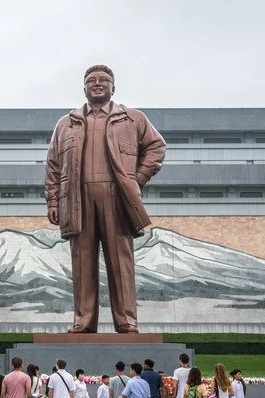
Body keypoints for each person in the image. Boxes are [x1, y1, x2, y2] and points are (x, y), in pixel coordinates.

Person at [45, 64, 166, 334]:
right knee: (82, 262)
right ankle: (84, 320)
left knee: (121, 261)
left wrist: (137, 178)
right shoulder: (66, 124)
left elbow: (157, 147)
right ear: (84, 88)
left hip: (117, 197)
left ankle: (126, 320)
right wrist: (53, 201)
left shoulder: (132, 119)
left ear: (113, 87)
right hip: (77, 199)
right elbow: (53, 165)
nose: (97, 83)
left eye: (103, 80)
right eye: (91, 80)